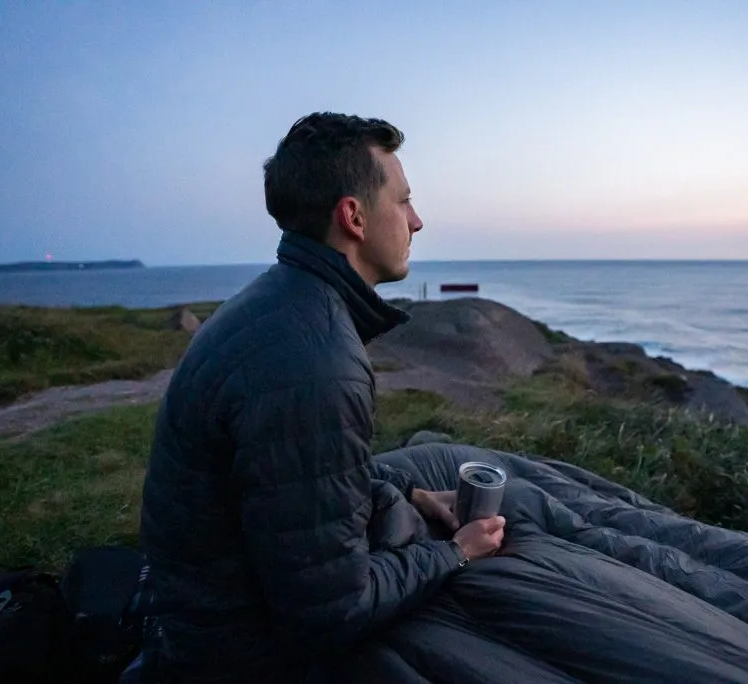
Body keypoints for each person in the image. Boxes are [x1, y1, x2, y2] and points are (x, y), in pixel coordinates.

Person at [134, 112, 507, 683]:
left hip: (201, 595)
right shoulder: (315, 364)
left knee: (424, 474)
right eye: (403, 201)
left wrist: (407, 496)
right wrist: (454, 554)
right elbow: (330, 614)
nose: (417, 220)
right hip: (228, 650)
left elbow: (295, 479)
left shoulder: (280, 300)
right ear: (353, 216)